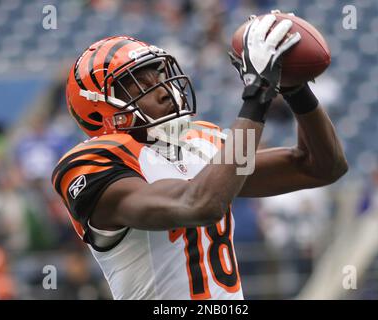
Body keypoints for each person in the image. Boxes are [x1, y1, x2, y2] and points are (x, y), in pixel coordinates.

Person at [51, 13, 348, 299]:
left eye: (159, 75)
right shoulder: (91, 164)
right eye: (139, 85)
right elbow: (200, 204)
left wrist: (294, 89)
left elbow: (319, 166)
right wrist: (258, 95)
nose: (165, 90)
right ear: (101, 109)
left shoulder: (200, 141)